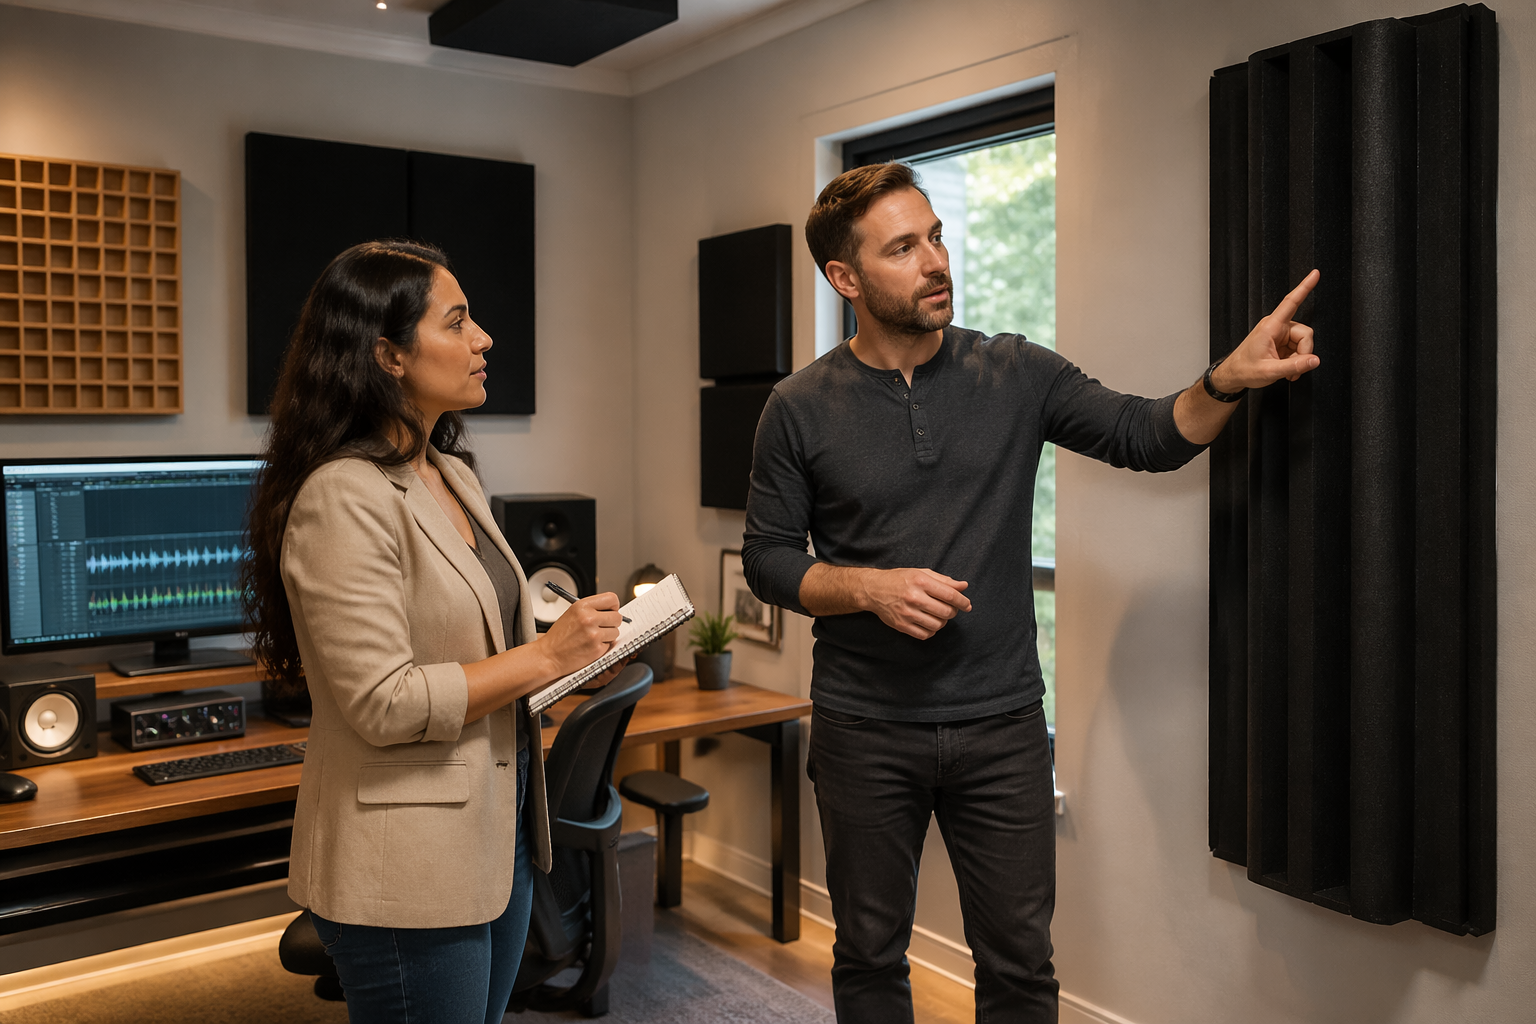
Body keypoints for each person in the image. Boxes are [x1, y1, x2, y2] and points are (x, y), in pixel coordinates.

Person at [740, 163, 1318, 1024]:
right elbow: (769, 560)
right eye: (904, 247)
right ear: (846, 279)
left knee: (1020, 970)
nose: (936, 260)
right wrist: (865, 588)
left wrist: (1228, 378)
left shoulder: (1015, 373)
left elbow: (1147, 436)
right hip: (864, 730)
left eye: (936, 235)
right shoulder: (796, 408)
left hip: (1001, 728)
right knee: (868, 956)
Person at [243, 240, 626, 1024]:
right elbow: (383, 702)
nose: (484, 338)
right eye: (458, 322)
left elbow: (487, 655)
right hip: (404, 867)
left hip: (501, 836)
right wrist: (542, 654)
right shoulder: (341, 495)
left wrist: (571, 663)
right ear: (387, 354)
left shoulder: (450, 472)